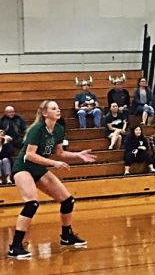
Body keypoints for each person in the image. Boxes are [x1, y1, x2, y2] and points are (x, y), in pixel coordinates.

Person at [7, 100, 96, 259]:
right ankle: (15, 246)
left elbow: (59, 153)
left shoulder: (59, 129)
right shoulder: (37, 129)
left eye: (58, 107)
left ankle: (66, 236)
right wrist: (54, 163)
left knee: (68, 200)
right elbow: (30, 155)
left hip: (39, 168)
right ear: (45, 113)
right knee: (31, 204)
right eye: (54, 108)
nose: (58, 110)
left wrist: (77, 155)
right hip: (23, 168)